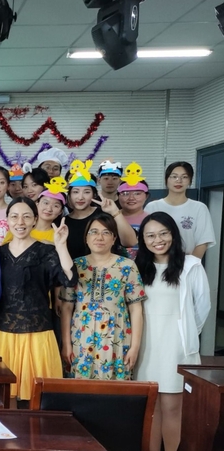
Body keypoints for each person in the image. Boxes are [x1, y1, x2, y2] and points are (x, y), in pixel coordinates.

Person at [134, 212, 211, 451]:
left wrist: (184, 334)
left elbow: (202, 307)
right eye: (150, 235)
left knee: (172, 408)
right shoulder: (137, 267)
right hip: (144, 347)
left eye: (163, 233)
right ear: (143, 239)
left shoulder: (191, 265)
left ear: (173, 235)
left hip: (176, 347)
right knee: (149, 410)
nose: (158, 240)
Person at [0, 198, 76, 404]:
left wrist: (61, 246)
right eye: (14, 216)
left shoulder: (46, 251)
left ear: (35, 219)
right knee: (5, 399)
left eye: (26, 216)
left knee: (38, 400)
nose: (20, 222)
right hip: (4, 333)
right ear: (7, 220)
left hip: (38, 334)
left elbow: (70, 279)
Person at [61, 213, 146, 381]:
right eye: (94, 232)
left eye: (106, 232)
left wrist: (134, 348)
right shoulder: (75, 265)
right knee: (80, 388)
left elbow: (136, 309)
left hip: (117, 337)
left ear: (114, 239)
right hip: (81, 337)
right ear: (86, 238)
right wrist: (66, 344)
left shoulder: (127, 266)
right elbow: (67, 307)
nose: (99, 237)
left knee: (115, 389)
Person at [63, 160, 136, 259]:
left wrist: (115, 212)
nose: (80, 197)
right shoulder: (64, 221)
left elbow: (130, 242)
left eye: (86, 192)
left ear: (94, 195)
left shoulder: (103, 215)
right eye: (75, 192)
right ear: (69, 195)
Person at [144, 161, 216, 259]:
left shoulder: (199, 208)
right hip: (156, 262)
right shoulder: (152, 207)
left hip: (187, 262)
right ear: (166, 180)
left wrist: (190, 264)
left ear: (190, 181)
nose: (179, 180)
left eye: (184, 177)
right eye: (174, 176)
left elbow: (203, 242)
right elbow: (145, 238)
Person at [1, 175, 68, 245]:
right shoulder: (20, 228)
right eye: (46, 203)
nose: (49, 208)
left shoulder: (59, 235)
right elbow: (5, 249)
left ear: (61, 211)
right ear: (37, 204)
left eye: (56, 206)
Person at [119, 162, 150, 259]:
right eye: (125, 193)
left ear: (146, 196)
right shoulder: (110, 218)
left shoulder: (151, 220)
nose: (131, 198)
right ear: (118, 196)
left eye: (137, 193)